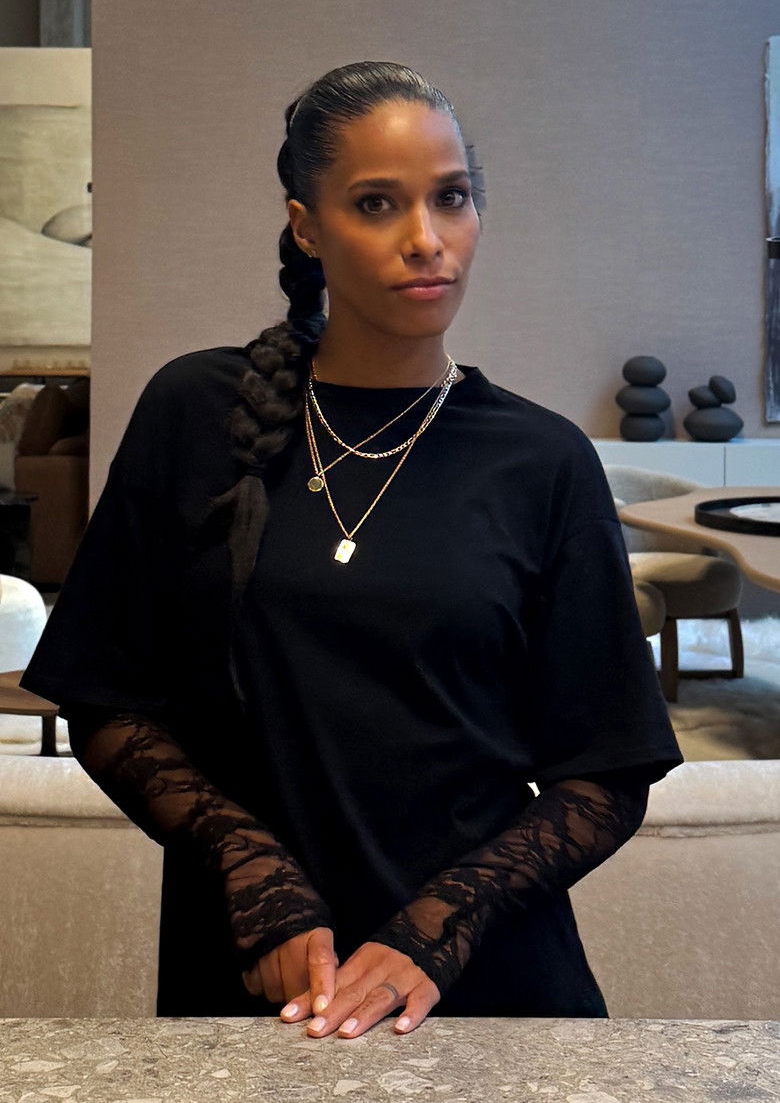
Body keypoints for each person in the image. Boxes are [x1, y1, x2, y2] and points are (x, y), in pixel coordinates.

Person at [20, 60, 683, 1038]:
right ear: (306, 226)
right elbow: (106, 699)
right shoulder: (193, 413)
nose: (427, 238)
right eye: (377, 203)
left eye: (451, 197)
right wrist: (252, 872)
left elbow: (608, 772)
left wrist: (440, 925)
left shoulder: (543, 460)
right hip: (262, 983)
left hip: (486, 993)